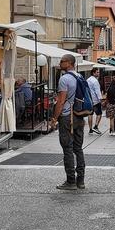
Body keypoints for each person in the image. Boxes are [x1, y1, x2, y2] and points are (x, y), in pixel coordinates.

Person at [50, 53, 87, 190]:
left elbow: (61, 101)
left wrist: (54, 118)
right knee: (78, 148)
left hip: (67, 116)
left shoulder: (64, 79)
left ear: (69, 63)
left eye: (62, 61)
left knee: (68, 149)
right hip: (79, 114)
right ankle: (81, 181)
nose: (60, 63)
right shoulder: (80, 76)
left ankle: (71, 181)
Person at [87, 69, 104, 136]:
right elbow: (97, 91)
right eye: (97, 72)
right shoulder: (95, 81)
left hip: (89, 99)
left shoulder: (88, 80)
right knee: (99, 113)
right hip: (95, 100)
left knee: (90, 114)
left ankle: (90, 129)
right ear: (93, 73)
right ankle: (96, 126)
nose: (98, 73)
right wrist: (101, 99)